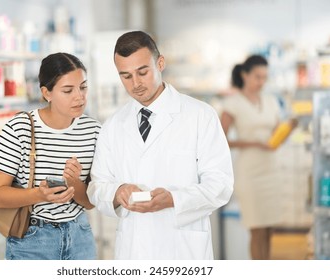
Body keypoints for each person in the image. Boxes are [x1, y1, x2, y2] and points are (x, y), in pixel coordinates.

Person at [87, 30, 234, 260]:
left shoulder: (200, 116)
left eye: (142, 72)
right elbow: (96, 187)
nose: (135, 83)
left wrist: (174, 199)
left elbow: (221, 184)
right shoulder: (113, 126)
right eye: (125, 76)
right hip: (133, 250)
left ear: (160, 63)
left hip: (182, 250)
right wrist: (117, 192)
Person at [0, 52, 101, 260]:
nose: (79, 96)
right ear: (46, 93)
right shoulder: (20, 128)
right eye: (68, 90)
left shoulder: (93, 131)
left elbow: (91, 202)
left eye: (83, 87)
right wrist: (39, 195)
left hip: (80, 237)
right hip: (32, 240)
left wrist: (74, 183)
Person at [220, 55, 297, 260]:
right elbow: (220, 140)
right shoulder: (232, 103)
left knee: (270, 229)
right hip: (250, 172)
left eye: (265, 78)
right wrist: (253, 143)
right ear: (245, 75)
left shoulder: (271, 101)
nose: (261, 82)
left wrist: (289, 129)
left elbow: (276, 135)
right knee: (257, 230)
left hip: (271, 170)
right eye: (257, 77)